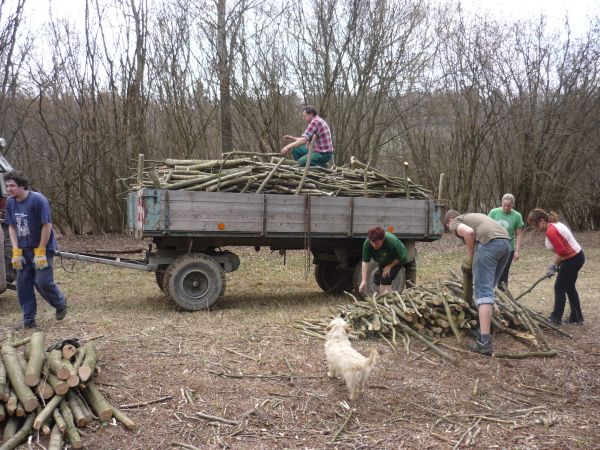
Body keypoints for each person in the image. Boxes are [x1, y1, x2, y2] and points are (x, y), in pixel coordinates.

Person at [5, 170, 67, 330]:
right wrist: (16, 251)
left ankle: (60, 303)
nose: (8, 189)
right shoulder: (11, 202)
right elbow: (11, 226)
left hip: (42, 248)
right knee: (23, 285)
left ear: (22, 186)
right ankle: (28, 320)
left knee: (42, 282)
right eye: (7, 186)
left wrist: (40, 251)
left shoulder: (38, 200)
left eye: (11, 186)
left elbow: (47, 226)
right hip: (23, 250)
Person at [444, 210, 511, 355]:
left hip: (490, 244)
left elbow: (468, 233)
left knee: (483, 293)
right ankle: (485, 329)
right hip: (505, 244)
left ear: (449, 221)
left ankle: (484, 342)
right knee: (490, 288)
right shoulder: (473, 216)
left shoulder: (454, 222)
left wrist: (470, 254)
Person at [527, 209, 585, 325]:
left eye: (535, 224)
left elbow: (561, 251)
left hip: (573, 259)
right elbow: (562, 250)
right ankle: (576, 317)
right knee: (569, 288)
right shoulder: (554, 225)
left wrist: (553, 265)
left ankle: (555, 318)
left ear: (542, 221)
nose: (535, 228)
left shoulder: (551, 230)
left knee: (559, 288)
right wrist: (558, 264)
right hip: (576, 257)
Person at [488, 193, 524, 291]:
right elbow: (487, 228)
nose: (506, 207)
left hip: (508, 249)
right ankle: (490, 292)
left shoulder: (517, 216)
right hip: (493, 247)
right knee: (492, 271)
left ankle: (503, 294)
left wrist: (517, 251)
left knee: (503, 272)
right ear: (501, 203)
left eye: (509, 205)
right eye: (504, 205)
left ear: (512, 205)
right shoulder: (493, 212)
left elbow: (519, 234)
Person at [359, 226, 407, 294]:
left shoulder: (393, 242)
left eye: (377, 243)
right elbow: (365, 262)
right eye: (372, 243)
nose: (374, 245)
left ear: (383, 239)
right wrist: (363, 280)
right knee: (381, 280)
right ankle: (384, 299)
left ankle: (388, 299)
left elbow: (401, 257)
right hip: (383, 259)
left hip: (397, 259)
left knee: (385, 281)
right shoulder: (367, 244)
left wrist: (389, 266)